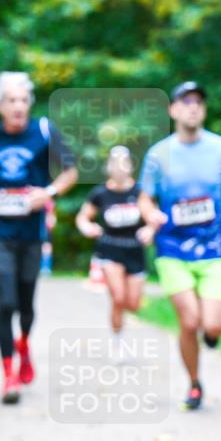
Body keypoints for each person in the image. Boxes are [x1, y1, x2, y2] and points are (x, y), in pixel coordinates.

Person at [0, 71, 78, 404]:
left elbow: (70, 171)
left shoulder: (43, 131)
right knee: (6, 301)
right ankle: (9, 376)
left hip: (31, 234)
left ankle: (23, 343)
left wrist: (48, 193)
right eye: (11, 100)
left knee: (25, 306)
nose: (18, 106)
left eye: (24, 100)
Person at [138, 81, 221, 410]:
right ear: (172, 110)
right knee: (189, 322)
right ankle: (193, 384)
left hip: (214, 248)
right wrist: (150, 215)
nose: (193, 107)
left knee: (212, 325)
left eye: (198, 102)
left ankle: (212, 335)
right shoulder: (158, 155)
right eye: (186, 102)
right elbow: (145, 198)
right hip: (172, 249)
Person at [76, 145, 147, 338]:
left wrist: (150, 229)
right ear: (108, 167)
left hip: (135, 249)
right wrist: (87, 227)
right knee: (118, 296)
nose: (119, 168)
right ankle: (117, 339)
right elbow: (83, 217)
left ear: (131, 166)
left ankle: (122, 320)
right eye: (115, 163)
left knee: (133, 303)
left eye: (124, 163)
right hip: (110, 249)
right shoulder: (100, 194)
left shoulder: (140, 192)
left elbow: (152, 217)